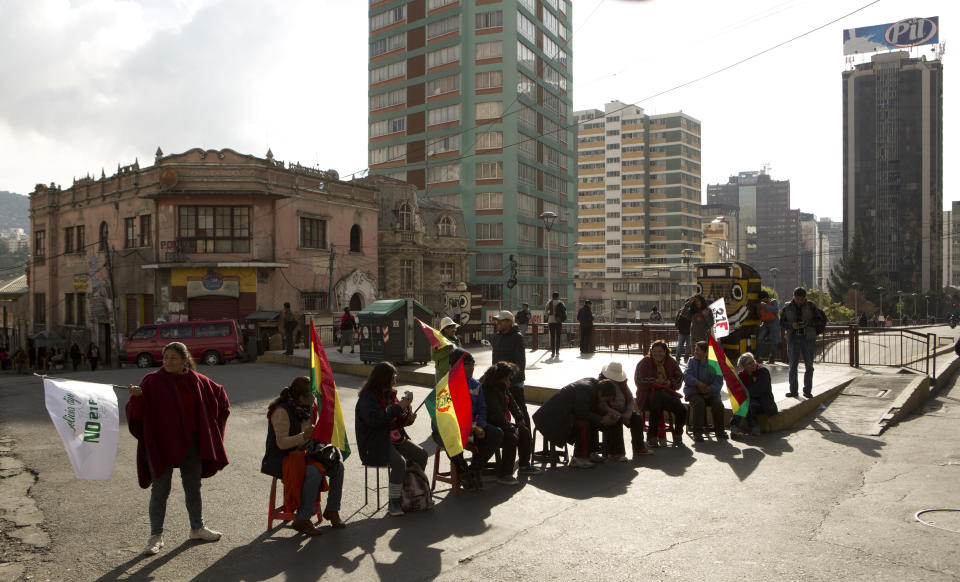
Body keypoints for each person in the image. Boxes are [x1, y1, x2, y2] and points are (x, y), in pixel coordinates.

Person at [126, 341, 230, 556]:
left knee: (193, 487)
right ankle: (155, 536)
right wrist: (137, 399)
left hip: (191, 445)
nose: (168, 362)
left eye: (173, 358)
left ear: (185, 360)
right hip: (160, 445)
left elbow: (220, 397)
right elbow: (138, 415)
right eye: (165, 358)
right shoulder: (151, 381)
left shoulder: (197, 381)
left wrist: (212, 425)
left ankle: (197, 528)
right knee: (160, 491)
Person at [261, 376, 345, 536]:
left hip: (304, 453)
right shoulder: (281, 411)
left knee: (338, 466)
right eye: (311, 395)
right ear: (300, 397)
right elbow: (281, 443)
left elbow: (312, 435)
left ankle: (333, 510)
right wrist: (304, 436)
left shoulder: (309, 407)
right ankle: (302, 518)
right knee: (313, 472)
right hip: (282, 457)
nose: (314, 398)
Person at [354, 362, 427, 517]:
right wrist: (398, 407)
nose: (395, 380)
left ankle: (411, 490)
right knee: (399, 463)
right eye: (393, 377)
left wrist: (407, 417)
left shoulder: (390, 394)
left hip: (394, 437)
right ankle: (394, 502)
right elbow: (376, 420)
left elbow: (396, 420)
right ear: (383, 379)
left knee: (421, 455)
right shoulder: (367, 397)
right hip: (374, 442)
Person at [533, 376, 619, 468]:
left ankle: (591, 452)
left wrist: (606, 414)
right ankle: (579, 458)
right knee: (584, 424)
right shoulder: (586, 389)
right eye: (605, 399)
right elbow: (582, 412)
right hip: (552, 418)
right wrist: (602, 419)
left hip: (565, 414)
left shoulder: (594, 387)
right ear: (601, 393)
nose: (604, 402)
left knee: (593, 421)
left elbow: (589, 408)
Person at [482, 362, 541, 483]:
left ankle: (524, 465)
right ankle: (505, 474)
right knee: (511, 438)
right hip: (490, 427)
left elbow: (513, 404)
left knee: (524, 431)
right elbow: (496, 415)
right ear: (502, 378)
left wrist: (519, 419)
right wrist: (511, 428)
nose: (510, 381)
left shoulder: (502, 388)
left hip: (501, 424)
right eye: (508, 378)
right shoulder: (489, 390)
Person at [635, 340, 687, 448]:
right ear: (651, 351)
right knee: (657, 400)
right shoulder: (645, 362)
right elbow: (638, 379)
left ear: (666, 352)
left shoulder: (671, 362)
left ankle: (678, 434)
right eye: (655, 351)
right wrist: (654, 381)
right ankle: (652, 436)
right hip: (648, 396)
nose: (657, 354)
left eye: (660, 351)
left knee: (682, 410)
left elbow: (680, 376)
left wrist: (670, 382)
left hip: (666, 395)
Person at [595, 361, 649, 461]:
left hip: (624, 411)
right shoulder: (601, 384)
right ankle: (617, 452)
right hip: (609, 411)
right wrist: (619, 414)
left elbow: (630, 399)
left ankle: (639, 447)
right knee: (616, 420)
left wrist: (627, 414)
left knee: (636, 418)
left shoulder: (622, 384)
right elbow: (602, 404)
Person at [780, 287, 824, 399]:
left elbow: (819, 320)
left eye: (801, 299)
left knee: (809, 366)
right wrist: (791, 325)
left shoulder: (811, 306)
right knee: (793, 366)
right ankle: (793, 391)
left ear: (805, 298)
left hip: (807, 338)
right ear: (793, 296)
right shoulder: (787, 307)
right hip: (793, 338)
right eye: (796, 298)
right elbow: (781, 322)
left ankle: (807, 390)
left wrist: (808, 323)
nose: (798, 301)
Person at [683, 341, 726, 443]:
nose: (695, 352)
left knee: (718, 404)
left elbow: (719, 381)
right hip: (694, 391)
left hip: (711, 392)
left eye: (698, 350)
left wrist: (710, 389)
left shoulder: (714, 363)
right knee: (699, 402)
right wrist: (697, 383)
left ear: (706, 352)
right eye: (695, 350)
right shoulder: (692, 361)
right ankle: (697, 432)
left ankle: (720, 430)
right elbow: (687, 375)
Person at [730, 353, 779, 437]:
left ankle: (754, 426)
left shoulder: (763, 371)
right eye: (749, 363)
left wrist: (744, 394)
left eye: (753, 361)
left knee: (747, 402)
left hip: (764, 403)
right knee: (742, 402)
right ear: (744, 367)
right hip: (749, 401)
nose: (753, 364)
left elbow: (758, 390)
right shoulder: (741, 375)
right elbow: (737, 391)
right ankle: (734, 427)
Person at [431, 316, 462, 385]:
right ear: (445, 329)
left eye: (454, 327)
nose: (454, 329)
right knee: (443, 394)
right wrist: (447, 350)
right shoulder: (437, 339)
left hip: (455, 371)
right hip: (442, 373)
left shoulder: (456, 340)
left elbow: (461, 353)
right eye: (451, 327)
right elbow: (434, 357)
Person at [756, 290, 781, 364]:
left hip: (774, 322)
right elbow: (759, 315)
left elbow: (775, 310)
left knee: (774, 341)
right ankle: (757, 357)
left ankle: (771, 359)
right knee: (760, 338)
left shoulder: (773, 301)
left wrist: (765, 306)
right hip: (765, 322)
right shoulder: (760, 304)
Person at [545, 292, 566, 359]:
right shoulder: (561, 303)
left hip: (551, 321)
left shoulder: (549, 303)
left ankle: (553, 352)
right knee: (558, 337)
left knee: (552, 337)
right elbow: (564, 311)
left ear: (552, 296)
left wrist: (549, 314)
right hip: (558, 322)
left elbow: (546, 312)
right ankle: (557, 351)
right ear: (558, 296)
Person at [675, 299, 693, 364]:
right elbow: (677, 319)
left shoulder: (691, 312)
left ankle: (684, 359)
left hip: (687, 332)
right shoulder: (682, 311)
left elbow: (677, 320)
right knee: (682, 346)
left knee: (686, 347)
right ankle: (679, 359)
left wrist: (677, 326)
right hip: (683, 332)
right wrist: (677, 326)